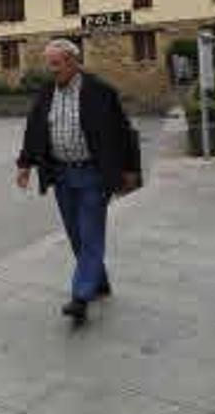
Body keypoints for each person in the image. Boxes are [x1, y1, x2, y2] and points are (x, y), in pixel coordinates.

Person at [16, 39, 137, 324]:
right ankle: (98, 280)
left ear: (72, 62)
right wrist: (24, 164)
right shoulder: (47, 93)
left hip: (94, 173)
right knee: (77, 234)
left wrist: (130, 169)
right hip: (62, 174)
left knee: (90, 229)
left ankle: (80, 296)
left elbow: (123, 131)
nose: (52, 69)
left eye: (56, 64)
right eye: (50, 64)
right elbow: (34, 129)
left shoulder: (100, 92)